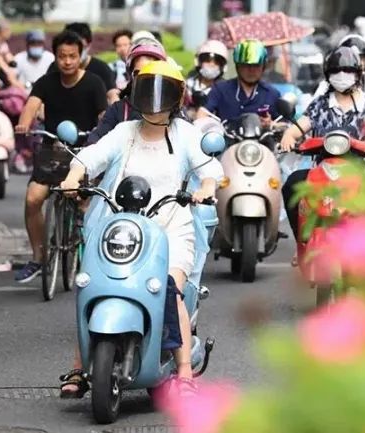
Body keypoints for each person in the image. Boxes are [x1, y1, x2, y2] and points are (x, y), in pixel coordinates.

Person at [58, 60, 223, 398]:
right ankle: (79, 365)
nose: (155, 99)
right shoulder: (124, 133)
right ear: (136, 92)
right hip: (123, 227)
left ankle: (184, 373)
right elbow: (90, 156)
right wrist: (73, 177)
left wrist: (206, 186)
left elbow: (210, 169)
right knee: (92, 285)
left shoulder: (186, 135)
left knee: (169, 289)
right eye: (149, 89)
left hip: (171, 226)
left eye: (164, 91)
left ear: (177, 98)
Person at [280, 46, 365, 255]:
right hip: (321, 173)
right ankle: (303, 241)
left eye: (347, 71)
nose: (342, 76)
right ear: (328, 75)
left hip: (361, 171)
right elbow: (299, 127)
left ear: (357, 74)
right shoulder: (321, 104)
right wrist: (289, 137)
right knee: (292, 185)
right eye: (336, 71)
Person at [13, 30, 108, 283]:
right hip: (52, 152)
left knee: (85, 202)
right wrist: (24, 123)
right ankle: (38, 257)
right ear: (54, 56)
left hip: (83, 152)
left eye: (72, 56)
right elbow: (31, 105)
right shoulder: (46, 82)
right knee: (33, 199)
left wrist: (100, 137)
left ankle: (90, 253)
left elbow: (102, 117)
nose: (67, 61)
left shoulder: (94, 83)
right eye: (62, 56)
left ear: (81, 56)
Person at [88, 42, 168, 144]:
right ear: (131, 76)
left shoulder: (174, 109)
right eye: (138, 73)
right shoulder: (118, 109)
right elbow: (96, 140)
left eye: (149, 72)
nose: (143, 78)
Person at [198, 39, 281, 128]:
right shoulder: (220, 89)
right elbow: (202, 114)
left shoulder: (272, 93)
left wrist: (271, 124)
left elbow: (285, 125)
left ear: (263, 66)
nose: (251, 70)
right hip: (228, 140)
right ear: (238, 66)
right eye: (246, 65)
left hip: (262, 141)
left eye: (256, 65)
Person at [48, 22, 118, 104]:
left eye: (81, 47)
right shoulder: (56, 67)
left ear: (89, 45)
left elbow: (113, 96)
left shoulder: (101, 69)